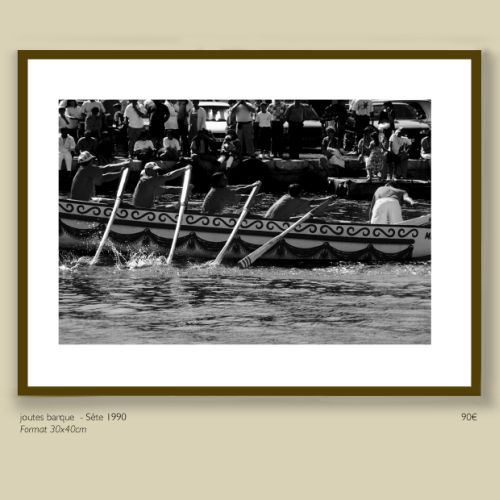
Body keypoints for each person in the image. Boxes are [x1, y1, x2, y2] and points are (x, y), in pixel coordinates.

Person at [265, 184, 335, 220]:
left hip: (267, 219)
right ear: (299, 193)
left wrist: (328, 204)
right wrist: (328, 199)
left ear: (289, 192)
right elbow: (313, 202)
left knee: (302, 216)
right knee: (313, 219)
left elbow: (310, 206)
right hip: (277, 223)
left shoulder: (285, 197)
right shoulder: (296, 201)